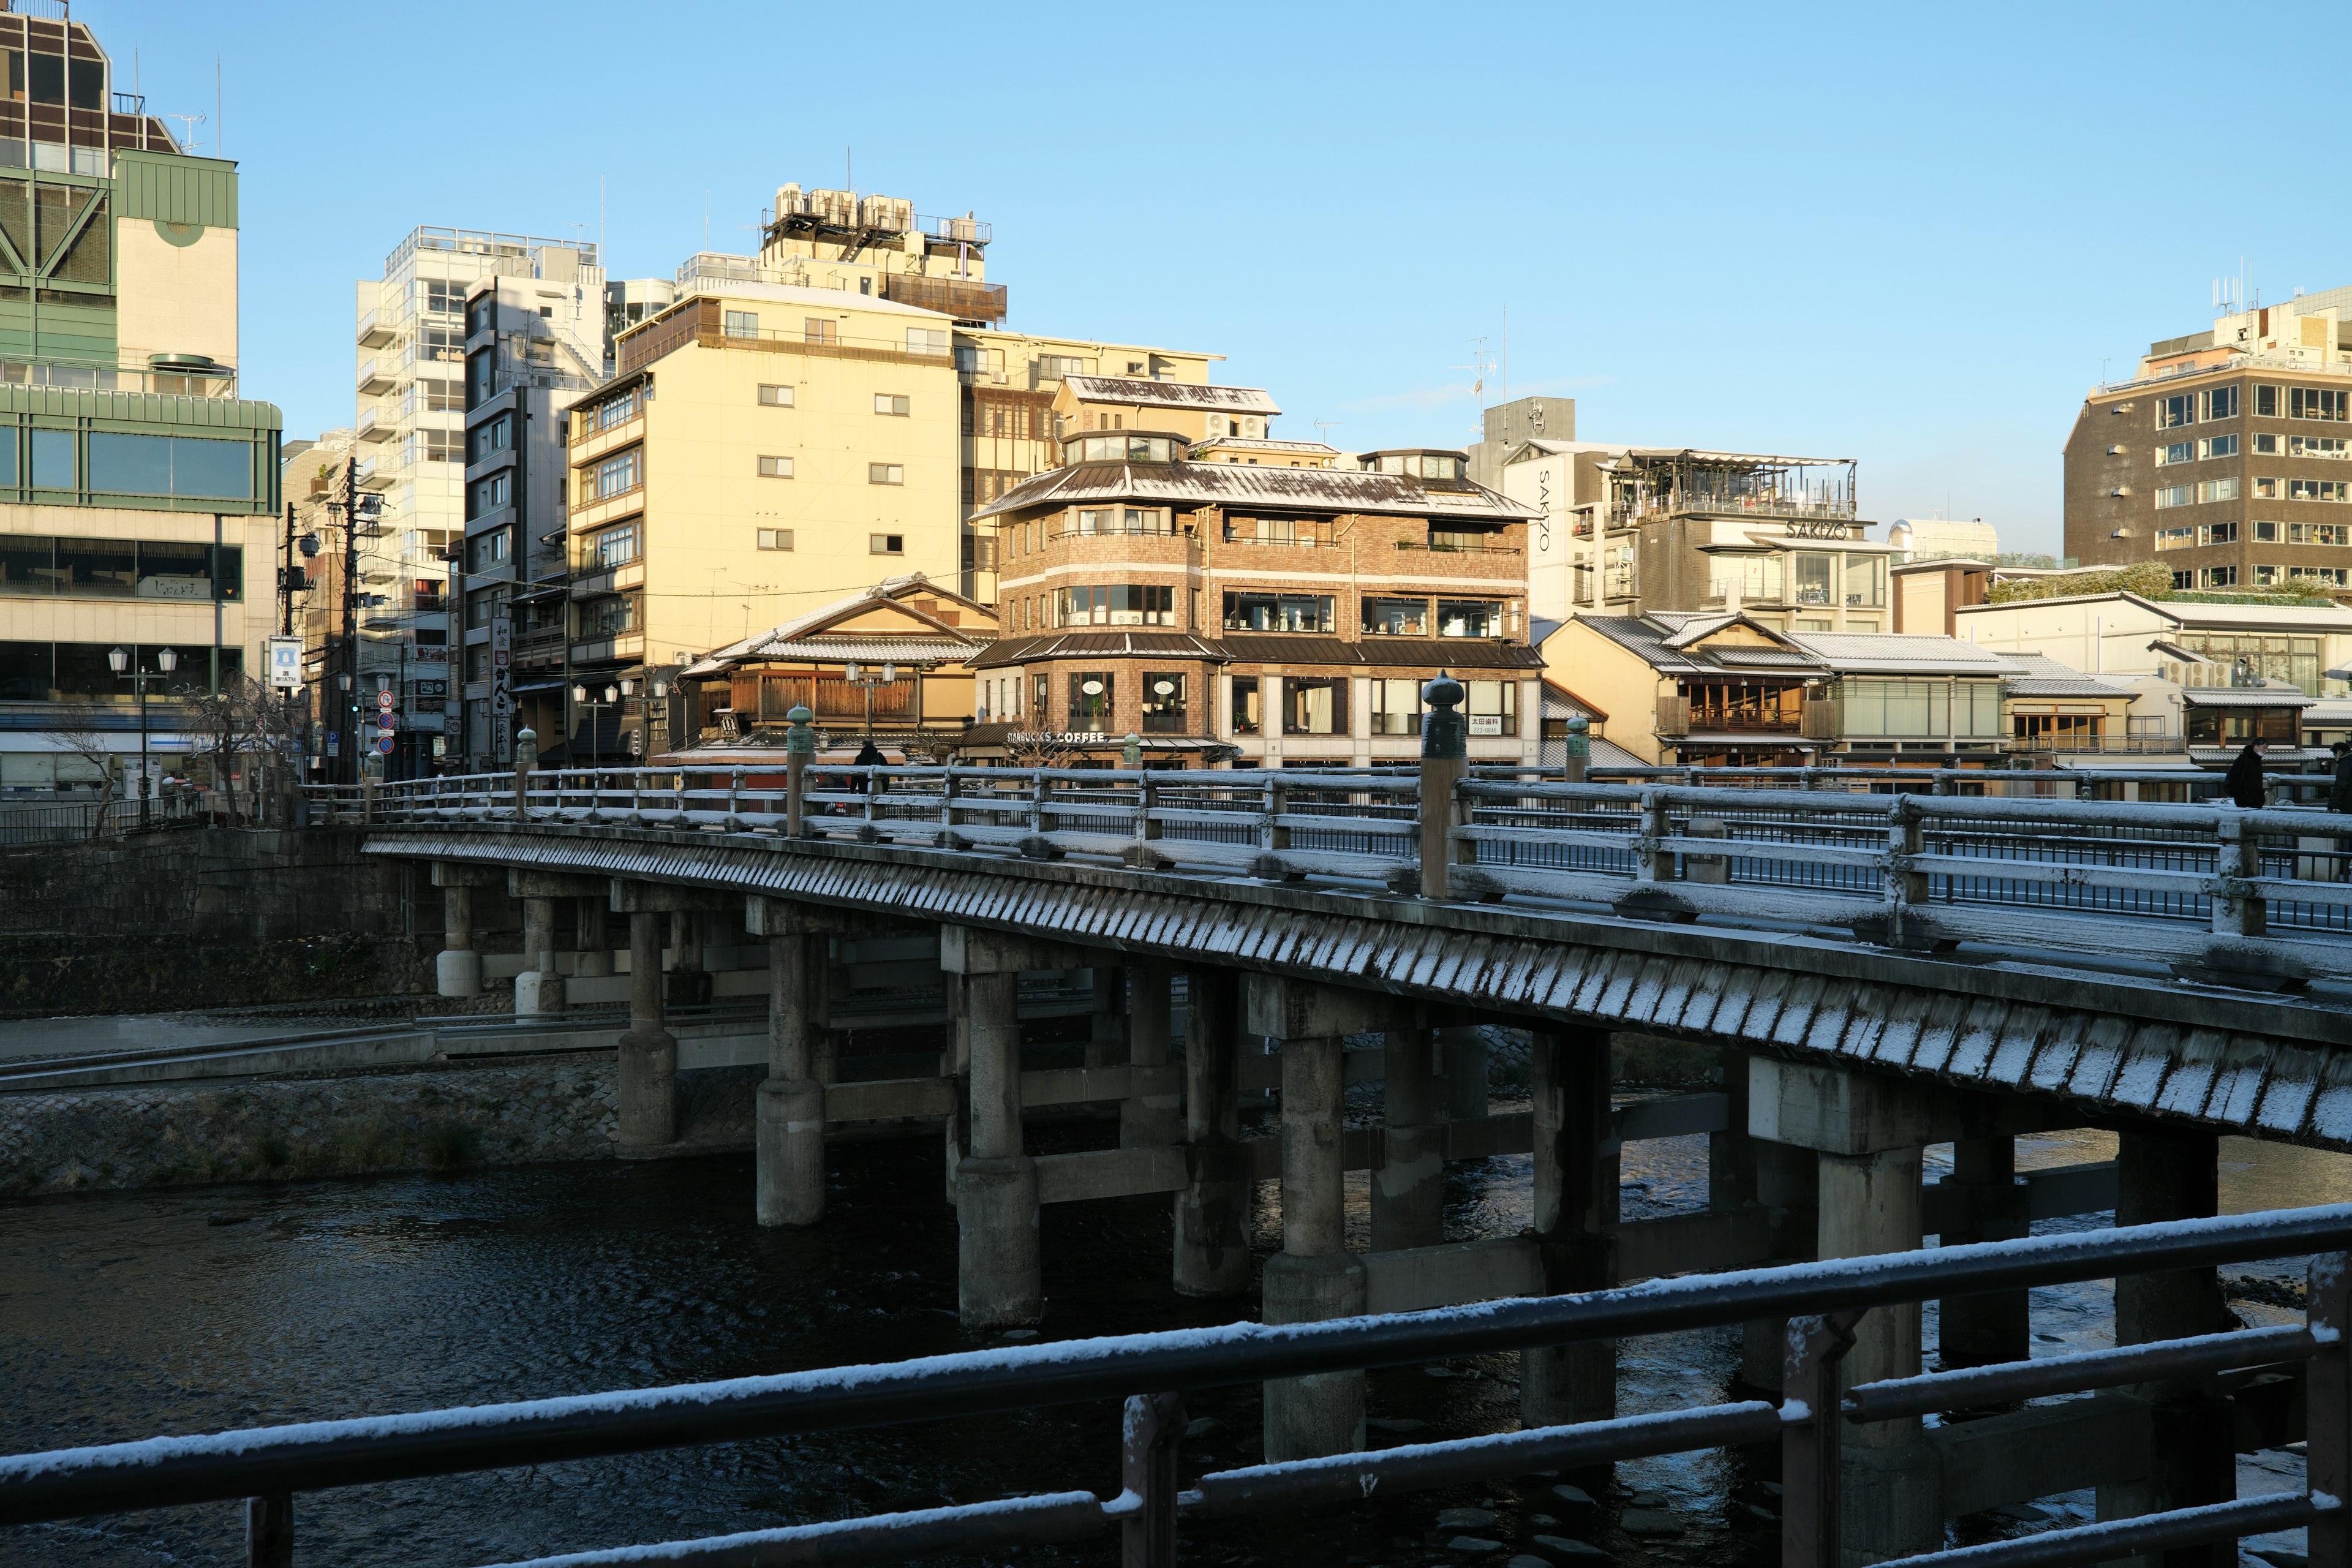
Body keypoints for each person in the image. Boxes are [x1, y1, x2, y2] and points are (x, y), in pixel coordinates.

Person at [2225, 739, 2268, 809]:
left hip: (2255, 799)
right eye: (2264, 747)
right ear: (2256, 746)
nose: (2266, 750)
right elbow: (2233, 777)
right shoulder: (2243, 759)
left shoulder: (2257, 760)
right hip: (2245, 799)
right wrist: (2240, 794)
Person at [2331, 740, 2352, 815]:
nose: (2335, 757)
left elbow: (2341, 784)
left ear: (2339, 752)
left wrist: (2333, 802)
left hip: (2349, 803)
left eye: (2335, 754)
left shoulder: (2345, 764)